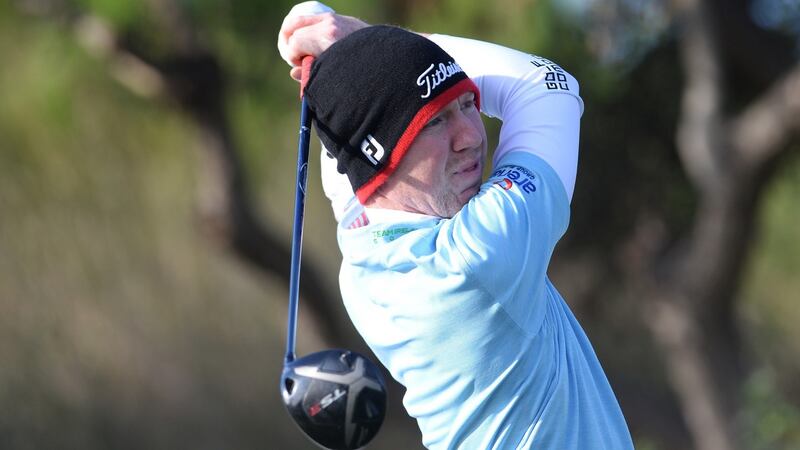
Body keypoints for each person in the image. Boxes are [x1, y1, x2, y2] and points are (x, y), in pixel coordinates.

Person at [279, 3, 634, 449]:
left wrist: (362, 54)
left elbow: (346, 154)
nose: (471, 135)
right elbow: (550, 87)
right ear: (381, 161)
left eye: (468, 103)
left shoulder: (362, 242)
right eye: (435, 122)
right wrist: (363, 37)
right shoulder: (477, 258)